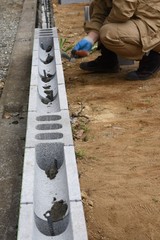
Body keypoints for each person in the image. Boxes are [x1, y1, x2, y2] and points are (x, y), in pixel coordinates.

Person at [71, 0, 160, 80]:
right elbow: (100, 10)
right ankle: (108, 61)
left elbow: (122, 12)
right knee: (94, 7)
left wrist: (98, 35)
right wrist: (90, 39)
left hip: (154, 23)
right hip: (138, 18)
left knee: (108, 33)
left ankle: (152, 57)